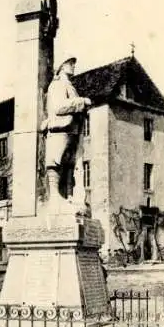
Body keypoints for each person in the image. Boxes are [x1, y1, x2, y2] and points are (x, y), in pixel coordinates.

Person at [42, 55, 92, 213]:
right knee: (56, 160)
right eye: (70, 63)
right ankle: (55, 196)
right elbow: (58, 107)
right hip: (60, 128)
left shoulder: (69, 85)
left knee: (69, 162)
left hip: (71, 129)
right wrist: (81, 102)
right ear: (62, 67)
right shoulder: (57, 85)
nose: (73, 66)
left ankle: (68, 195)